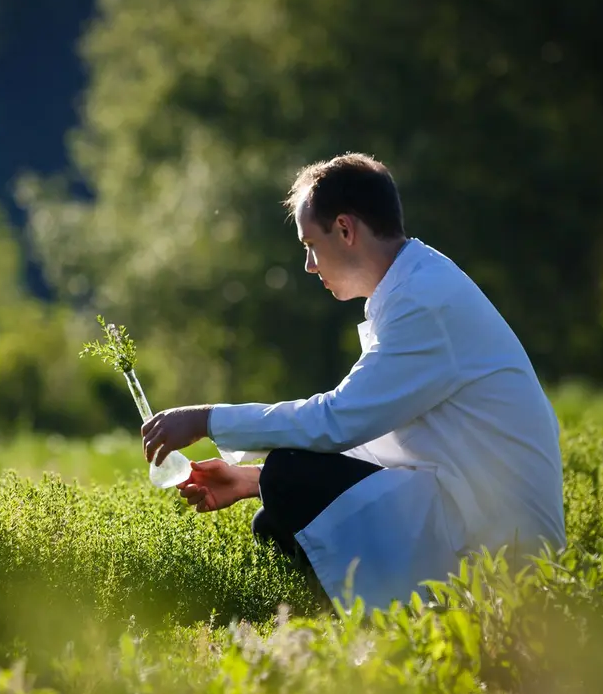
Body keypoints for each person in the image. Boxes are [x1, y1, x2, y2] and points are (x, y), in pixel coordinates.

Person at [140, 152, 565, 611]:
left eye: (310, 244)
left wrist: (207, 419)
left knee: (290, 477)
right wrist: (250, 479)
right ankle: (349, 631)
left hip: (503, 550)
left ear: (345, 230)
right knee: (273, 516)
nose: (308, 265)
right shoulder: (411, 287)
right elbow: (382, 437)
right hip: (465, 510)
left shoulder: (423, 302)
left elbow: (338, 421)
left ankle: (411, 628)